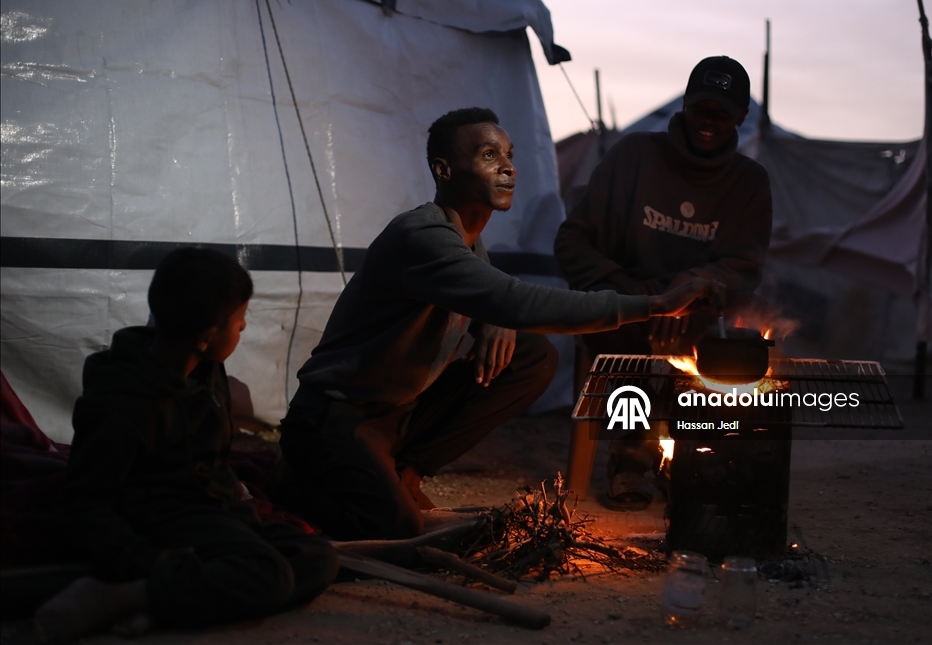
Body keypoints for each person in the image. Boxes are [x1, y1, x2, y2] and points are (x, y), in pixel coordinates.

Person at [273, 107, 725, 541]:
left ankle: (405, 471)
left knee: (529, 356)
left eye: (509, 155)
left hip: (398, 414)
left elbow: (496, 297)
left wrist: (497, 318)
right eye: (489, 155)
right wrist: (657, 304)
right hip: (336, 417)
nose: (507, 167)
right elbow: (513, 299)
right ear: (444, 171)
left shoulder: (470, 243)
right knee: (399, 529)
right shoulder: (422, 237)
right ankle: (290, 488)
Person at [34, 248, 339, 644]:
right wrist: (146, 562)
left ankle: (165, 603)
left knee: (317, 557)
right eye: (240, 320)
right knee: (270, 576)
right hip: (163, 525)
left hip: (211, 512)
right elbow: (83, 504)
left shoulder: (205, 370)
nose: (244, 327)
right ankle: (126, 595)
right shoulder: (123, 403)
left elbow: (207, 466)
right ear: (207, 336)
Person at [554, 56, 773, 511]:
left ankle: (691, 457)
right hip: (626, 303)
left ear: (740, 118)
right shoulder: (633, 154)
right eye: (701, 110)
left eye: (722, 113)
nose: (709, 122)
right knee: (618, 331)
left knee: (723, 344)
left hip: (698, 314)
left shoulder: (750, 182)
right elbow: (573, 239)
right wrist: (644, 299)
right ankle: (630, 451)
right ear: (685, 106)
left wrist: (688, 290)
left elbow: (744, 265)